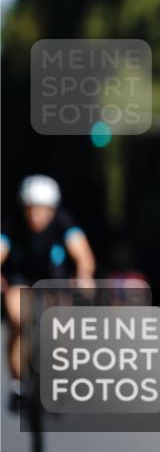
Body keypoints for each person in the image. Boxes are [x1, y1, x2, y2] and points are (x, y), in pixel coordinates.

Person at [1, 175, 96, 412]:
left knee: (61, 325)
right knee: (17, 317)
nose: (37, 216)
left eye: (43, 210)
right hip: (20, 278)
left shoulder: (64, 223)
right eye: (32, 209)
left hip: (54, 280)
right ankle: (18, 385)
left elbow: (83, 255)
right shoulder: (11, 224)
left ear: (53, 209)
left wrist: (84, 275)